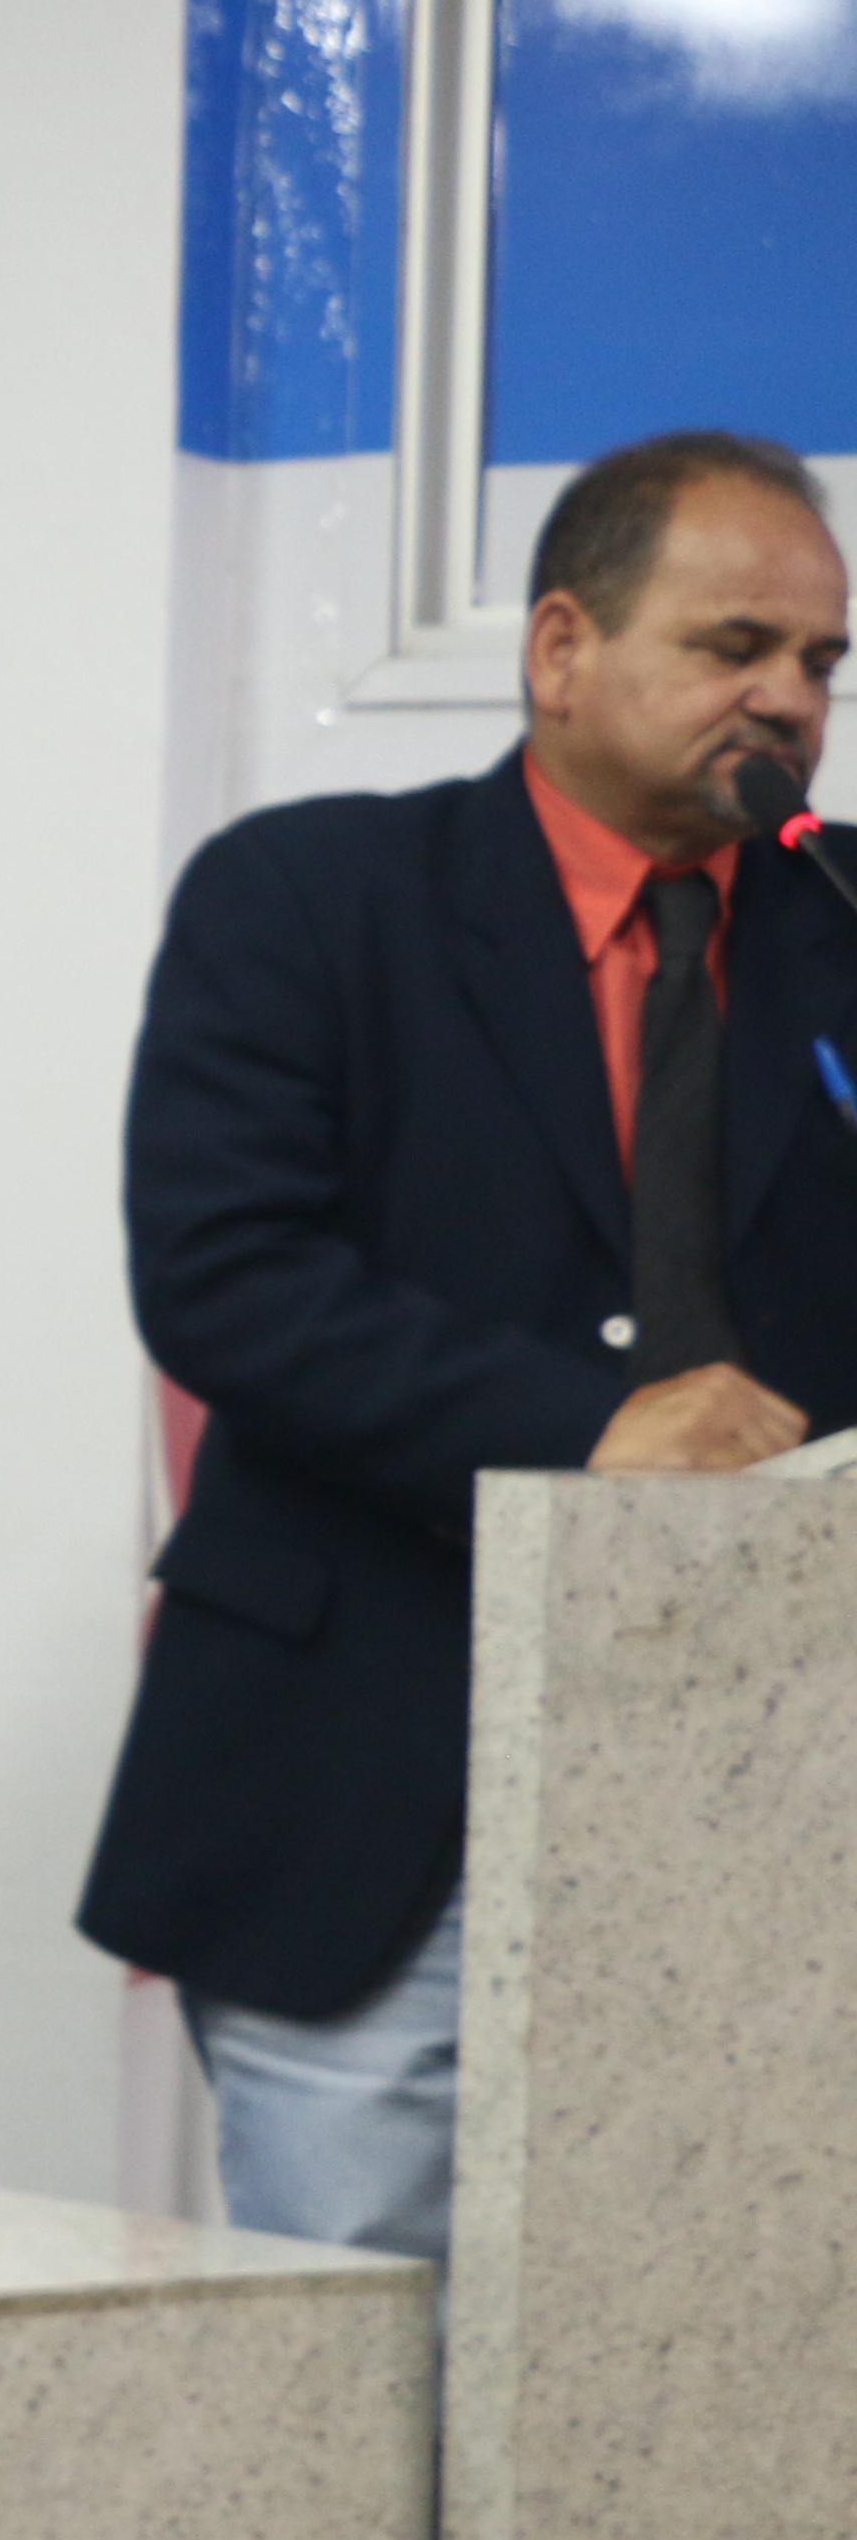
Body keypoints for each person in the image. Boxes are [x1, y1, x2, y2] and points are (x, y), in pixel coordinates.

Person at [91, 428, 857, 2258]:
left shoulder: (841, 925)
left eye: (820, 662)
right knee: (378, 2377)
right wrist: (590, 1426)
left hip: (767, 1799)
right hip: (374, 1790)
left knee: (709, 2351)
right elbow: (224, 1278)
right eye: (733, 645)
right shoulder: (306, 895)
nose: (787, 698)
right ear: (561, 648)